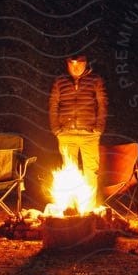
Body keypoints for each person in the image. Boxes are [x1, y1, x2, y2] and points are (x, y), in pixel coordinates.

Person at [48, 49, 108, 198]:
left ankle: (88, 207)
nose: (76, 67)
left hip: (89, 134)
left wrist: (99, 128)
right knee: (69, 171)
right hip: (66, 134)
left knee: (91, 172)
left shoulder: (95, 80)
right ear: (68, 64)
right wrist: (56, 129)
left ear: (85, 63)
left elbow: (102, 103)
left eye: (79, 64)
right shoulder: (60, 81)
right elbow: (53, 104)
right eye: (72, 64)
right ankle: (71, 206)